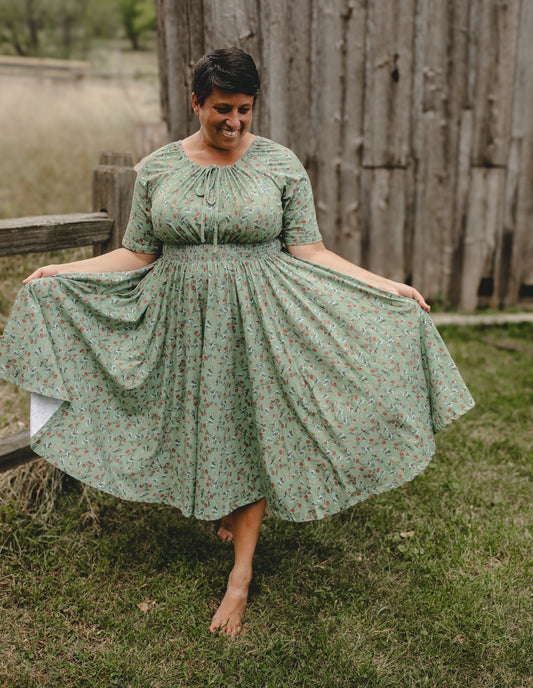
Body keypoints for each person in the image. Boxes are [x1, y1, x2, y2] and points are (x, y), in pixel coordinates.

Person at [0, 48, 474, 637]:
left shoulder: (280, 164)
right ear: (195, 102)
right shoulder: (158, 168)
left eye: (245, 110)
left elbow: (310, 248)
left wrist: (387, 286)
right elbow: (139, 252)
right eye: (221, 109)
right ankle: (223, 508)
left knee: (251, 430)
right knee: (201, 424)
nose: (234, 122)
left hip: (262, 318)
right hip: (178, 318)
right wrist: (66, 273)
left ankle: (240, 577)